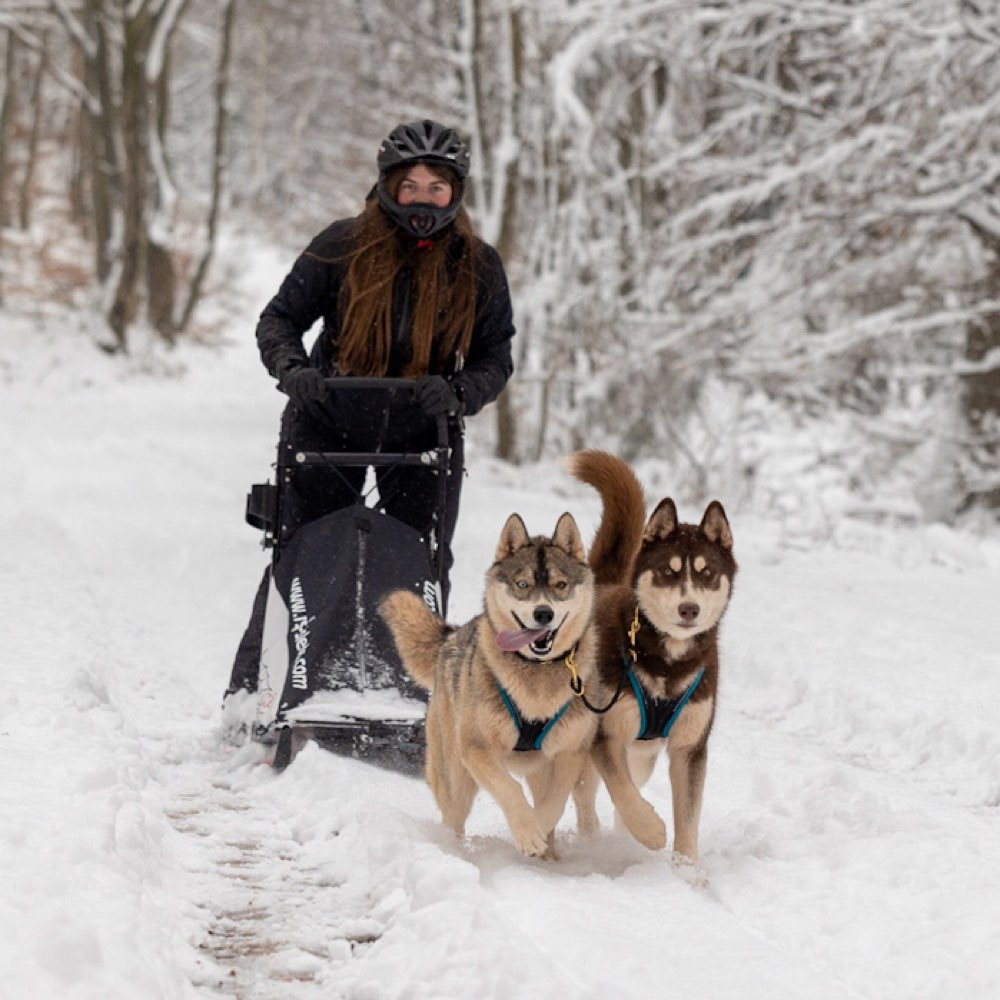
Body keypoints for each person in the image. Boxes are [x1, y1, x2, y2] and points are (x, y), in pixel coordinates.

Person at [225, 119, 515, 699]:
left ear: (456, 192)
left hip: (422, 429)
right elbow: (278, 320)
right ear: (388, 187)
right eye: (411, 186)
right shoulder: (341, 245)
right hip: (328, 418)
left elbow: (495, 357)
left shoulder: (477, 265)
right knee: (305, 551)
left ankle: (411, 685)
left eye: (438, 187)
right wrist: (295, 373)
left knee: (420, 560)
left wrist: (459, 394)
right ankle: (272, 684)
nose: (424, 199)